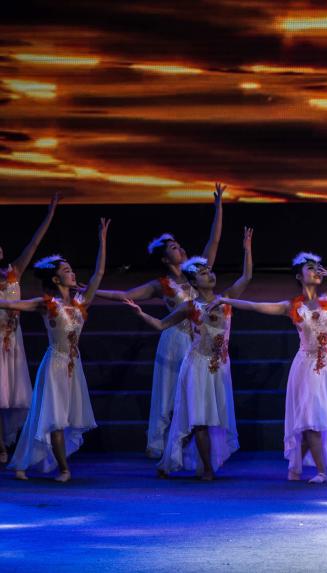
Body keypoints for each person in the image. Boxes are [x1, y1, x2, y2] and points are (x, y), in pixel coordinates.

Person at [212, 223, 327, 482]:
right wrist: (226, 300)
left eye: (317, 267)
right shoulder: (292, 306)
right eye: (310, 268)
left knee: (321, 418)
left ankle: (295, 467)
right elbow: (256, 306)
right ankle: (321, 471)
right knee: (310, 419)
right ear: (299, 276)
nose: (316, 271)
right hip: (307, 366)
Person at [94, 183, 224, 458]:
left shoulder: (198, 273)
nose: (181, 249)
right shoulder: (160, 284)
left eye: (180, 245)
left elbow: (213, 243)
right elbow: (125, 295)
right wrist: (90, 290)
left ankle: (188, 445)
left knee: (193, 394)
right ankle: (159, 444)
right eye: (174, 248)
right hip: (174, 340)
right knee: (167, 393)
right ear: (165, 259)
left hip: (198, 340)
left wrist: (218, 208)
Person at [122, 228, 253, 480]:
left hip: (219, 368)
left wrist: (247, 249)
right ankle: (207, 469)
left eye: (210, 271)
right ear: (194, 283)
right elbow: (161, 325)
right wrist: (141, 313)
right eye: (203, 273)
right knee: (199, 419)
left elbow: (246, 277)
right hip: (197, 367)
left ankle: (178, 461)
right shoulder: (189, 306)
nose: (209, 274)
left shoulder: (225, 299)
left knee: (213, 417)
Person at [3, 218, 110, 481]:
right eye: (67, 270)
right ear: (55, 278)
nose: (73, 274)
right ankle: (64, 469)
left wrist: (102, 241)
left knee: (58, 417)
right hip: (54, 366)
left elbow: (98, 275)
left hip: (74, 366)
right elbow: (12, 305)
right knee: (55, 419)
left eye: (71, 270)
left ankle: (23, 463)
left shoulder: (80, 302)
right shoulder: (46, 303)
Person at [0, 192, 59, 464]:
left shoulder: (15, 272)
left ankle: (7, 440)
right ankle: (1, 445)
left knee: (10, 394)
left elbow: (34, 244)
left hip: (13, 339)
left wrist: (49, 214)